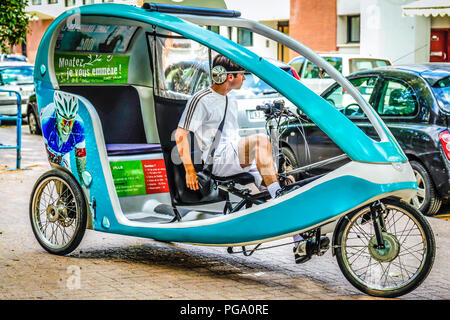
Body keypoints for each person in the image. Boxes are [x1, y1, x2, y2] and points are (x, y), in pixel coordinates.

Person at [174, 54, 328, 263]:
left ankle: (299, 239)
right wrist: (190, 170)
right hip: (218, 160)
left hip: (235, 157)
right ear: (227, 77)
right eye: (241, 75)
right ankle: (280, 199)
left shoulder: (231, 98)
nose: (244, 79)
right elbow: (180, 134)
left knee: (285, 183)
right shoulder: (201, 99)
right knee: (260, 141)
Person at [41, 90, 91, 187]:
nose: (67, 127)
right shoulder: (47, 122)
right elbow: (50, 154)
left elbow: (81, 163)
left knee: (71, 181)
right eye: (64, 121)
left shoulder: (79, 126)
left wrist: (82, 186)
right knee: (61, 181)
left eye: (70, 121)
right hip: (52, 146)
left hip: (63, 150)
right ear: (57, 115)